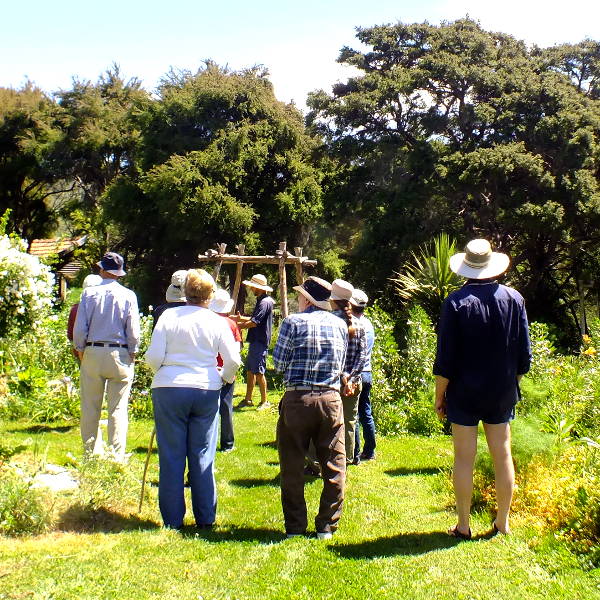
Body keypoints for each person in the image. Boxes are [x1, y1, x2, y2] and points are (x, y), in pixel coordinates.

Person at [433, 239, 531, 539]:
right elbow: (524, 357)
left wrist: (439, 397)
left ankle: (463, 525)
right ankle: (502, 522)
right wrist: (511, 384)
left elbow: (445, 359)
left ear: (467, 268)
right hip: (501, 390)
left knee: (464, 458)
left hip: (463, 392)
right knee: (502, 455)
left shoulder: (455, 302)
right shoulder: (515, 299)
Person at [145, 269, 241, 529]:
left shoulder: (168, 317)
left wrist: (165, 373)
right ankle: (205, 517)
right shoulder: (217, 322)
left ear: (185, 292)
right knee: (202, 453)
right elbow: (232, 360)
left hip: (169, 387)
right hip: (205, 388)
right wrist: (224, 378)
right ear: (210, 295)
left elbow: (153, 357)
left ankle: (172, 519)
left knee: (171, 454)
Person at [273, 276, 364, 539]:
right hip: (330, 399)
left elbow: (278, 364)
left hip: (297, 399)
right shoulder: (341, 325)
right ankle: (326, 525)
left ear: (307, 299)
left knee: (291, 465)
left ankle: (295, 526)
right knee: (335, 465)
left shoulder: (292, 322)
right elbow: (344, 363)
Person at [73, 252, 140, 461]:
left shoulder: (88, 294)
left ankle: (90, 453)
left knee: (90, 406)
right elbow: (134, 330)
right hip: (119, 352)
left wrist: (80, 349)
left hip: (93, 349)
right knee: (118, 408)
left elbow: (80, 328)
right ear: (119, 273)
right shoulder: (129, 295)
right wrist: (133, 352)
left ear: (102, 269)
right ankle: (116, 456)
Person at [330, 279, 367, 465]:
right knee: (350, 421)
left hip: (334, 381)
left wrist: (343, 377)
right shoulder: (359, 324)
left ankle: (327, 457)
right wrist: (352, 378)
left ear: (333, 300)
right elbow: (362, 356)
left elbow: (329, 355)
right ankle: (348, 457)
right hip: (354, 382)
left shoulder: (330, 321)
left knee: (329, 422)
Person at [233, 274, 275, 409]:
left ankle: (265, 401)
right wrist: (239, 319)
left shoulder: (265, 302)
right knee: (251, 370)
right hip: (256, 340)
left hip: (260, 341)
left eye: (253, 287)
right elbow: (254, 318)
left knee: (259, 371)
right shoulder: (262, 300)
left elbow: (254, 322)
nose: (251, 289)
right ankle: (248, 399)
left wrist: (236, 326)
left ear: (259, 288)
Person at [209, 288, 242, 452]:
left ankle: (208, 440)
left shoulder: (206, 321)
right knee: (226, 407)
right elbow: (237, 350)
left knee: (207, 409)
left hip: (209, 370)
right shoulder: (232, 324)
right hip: (227, 371)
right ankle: (227, 443)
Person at [351, 289, 377, 462]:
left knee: (354, 414)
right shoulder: (368, 324)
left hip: (356, 373)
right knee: (366, 411)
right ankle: (370, 450)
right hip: (367, 371)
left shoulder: (353, 325)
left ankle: (355, 452)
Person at [67, 274, 103, 359]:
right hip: (106, 352)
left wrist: (80, 353)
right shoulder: (109, 308)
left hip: (84, 353)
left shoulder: (76, 309)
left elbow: (71, 335)